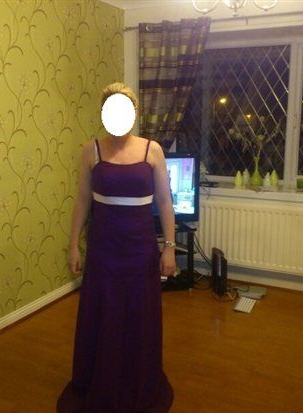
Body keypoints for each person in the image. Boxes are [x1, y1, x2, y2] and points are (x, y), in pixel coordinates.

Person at [57, 82, 176, 413]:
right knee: (103, 314)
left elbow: (165, 202)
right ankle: (100, 380)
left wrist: (169, 247)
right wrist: (73, 246)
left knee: (139, 315)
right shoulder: (91, 150)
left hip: (140, 250)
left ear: (134, 113)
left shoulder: (152, 150)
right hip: (103, 249)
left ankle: (138, 381)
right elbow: (82, 201)